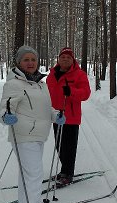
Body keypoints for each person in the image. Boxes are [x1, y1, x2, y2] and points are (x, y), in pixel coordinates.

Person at [0, 45, 65, 203]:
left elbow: (46, 108)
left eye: (33, 59)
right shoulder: (14, 84)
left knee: (26, 177)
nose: (30, 63)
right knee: (34, 178)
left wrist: (55, 115)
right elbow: (4, 109)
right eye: (26, 60)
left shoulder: (40, 84)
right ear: (19, 62)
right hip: (23, 136)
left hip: (38, 136)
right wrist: (6, 117)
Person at [46, 47, 91, 186]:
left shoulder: (79, 74)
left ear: (73, 60)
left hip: (70, 117)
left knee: (69, 148)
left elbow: (85, 93)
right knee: (60, 146)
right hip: (56, 116)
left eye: (68, 57)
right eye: (63, 57)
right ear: (58, 59)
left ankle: (68, 174)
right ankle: (63, 171)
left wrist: (71, 91)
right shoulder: (52, 74)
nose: (65, 59)